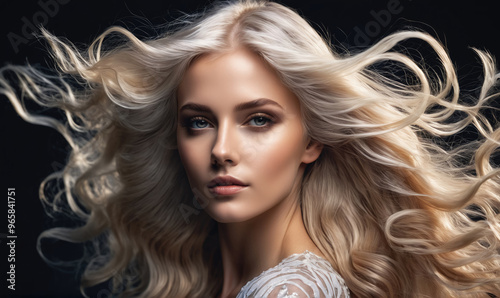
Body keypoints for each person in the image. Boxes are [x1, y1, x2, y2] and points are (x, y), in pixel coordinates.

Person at [1, 0, 499, 297]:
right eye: (198, 122)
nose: (221, 149)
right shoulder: (216, 276)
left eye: (258, 120)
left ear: (313, 139)